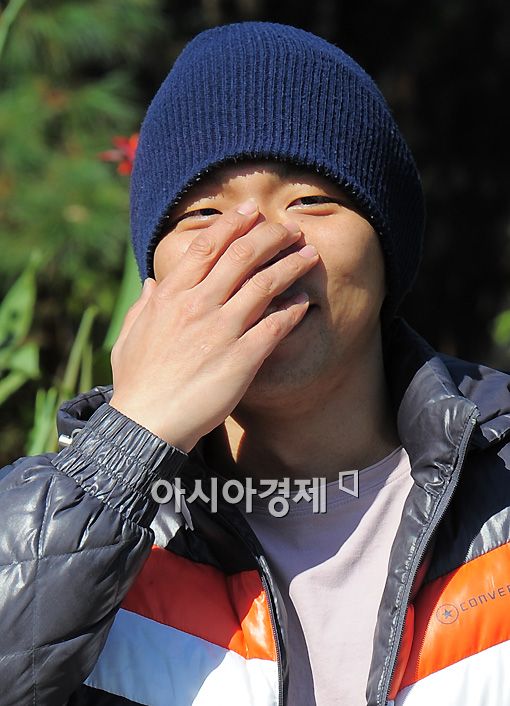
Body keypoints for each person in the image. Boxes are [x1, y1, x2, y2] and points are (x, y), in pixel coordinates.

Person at [0, 20, 509, 706]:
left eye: (312, 201)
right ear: (153, 280)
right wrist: (126, 449)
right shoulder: (66, 518)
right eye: (202, 214)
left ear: (388, 256)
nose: (258, 243)